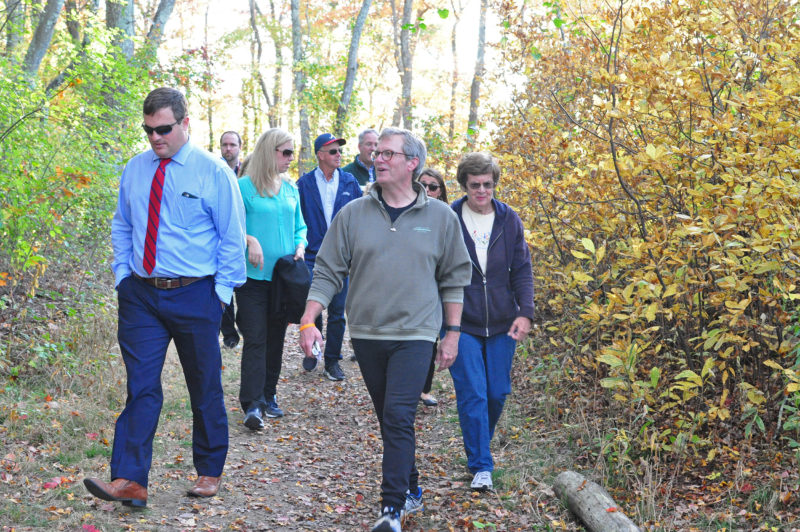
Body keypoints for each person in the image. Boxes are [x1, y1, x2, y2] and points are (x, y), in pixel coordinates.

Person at [298, 128, 471, 532]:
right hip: (368, 334)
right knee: (388, 418)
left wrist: (452, 334)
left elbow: (454, 280)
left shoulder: (441, 218)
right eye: (377, 152)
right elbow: (327, 271)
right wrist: (309, 320)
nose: (378, 158)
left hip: (417, 333)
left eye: (389, 153)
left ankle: (390, 510)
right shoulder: (354, 214)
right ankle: (410, 486)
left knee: (396, 415)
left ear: (412, 163)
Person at [83, 87, 247, 507]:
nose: (155, 137)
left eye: (163, 129)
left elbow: (231, 239)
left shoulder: (213, 171)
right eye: (148, 130)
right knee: (141, 387)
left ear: (184, 123)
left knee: (203, 385)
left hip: (196, 293)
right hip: (141, 295)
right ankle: (130, 480)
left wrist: (220, 295)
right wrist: (123, 276)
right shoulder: (135, 170)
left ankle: (209, 469)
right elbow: (123, 224)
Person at [449, 152, 534, 492]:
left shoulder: (508, 219)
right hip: (461, 321)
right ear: (464, 185)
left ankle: (478, 438)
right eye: (474, 185)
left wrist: (525, 312)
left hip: (502, 321)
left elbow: (523, 269)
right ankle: (481, 465)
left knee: (497, 392)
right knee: (473, 394)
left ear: (495, 184)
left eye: (487, 184)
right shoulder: (450, 217)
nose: (481, 191)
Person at [236, 128, 307, 430]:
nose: (291, 158)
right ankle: (252, 405)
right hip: (253, 279)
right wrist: (249, 239)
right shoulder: (243, 188)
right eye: (286, 152)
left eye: (293, 152)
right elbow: (228, 228)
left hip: (283, 278)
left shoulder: (291, 189)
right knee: (256, 338)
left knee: (276, 338)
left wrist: (301, 245)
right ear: (269, 151)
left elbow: (300, 227)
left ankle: (269, 394)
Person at [296, 133, 361, 381]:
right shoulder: (303, 185)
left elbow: (358, 219)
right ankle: (312, 352)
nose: (338, 156)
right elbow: (298, 221)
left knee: (337, 311)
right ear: (320, 154)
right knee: (315, 308)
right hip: (312, 256)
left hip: (342, 257)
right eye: (333, 151)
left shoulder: (349, 182)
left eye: (339, 151)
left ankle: (332, 361)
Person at [416, 168, 450, 407]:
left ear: (441, 192)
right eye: (423, 185)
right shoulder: (405, 212)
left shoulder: (447, 216)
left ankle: (424, 389)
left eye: (433, 187)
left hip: (436, 289)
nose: (427, 190)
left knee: (429, 340)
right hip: (408, 288)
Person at [219, 130, 244, 348]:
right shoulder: (214, 170)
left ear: (240, 147)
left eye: (232, 145)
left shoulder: (248, 173)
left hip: (246, 237)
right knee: (224, 287)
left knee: (244, 289)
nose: (228, 148)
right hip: (221, 238)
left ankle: (245, 325)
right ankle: (229, 333)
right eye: (225, 145)